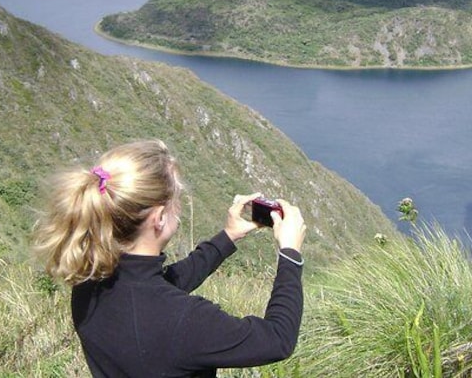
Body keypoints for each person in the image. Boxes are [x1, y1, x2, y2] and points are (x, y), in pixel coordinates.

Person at [32, 139, 307, 378]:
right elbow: (277, 340)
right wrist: (290, 254)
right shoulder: (185, 321)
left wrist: (228, 237)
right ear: (160, 218)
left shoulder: (89, 281)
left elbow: (160, 286)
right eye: (177, 200)